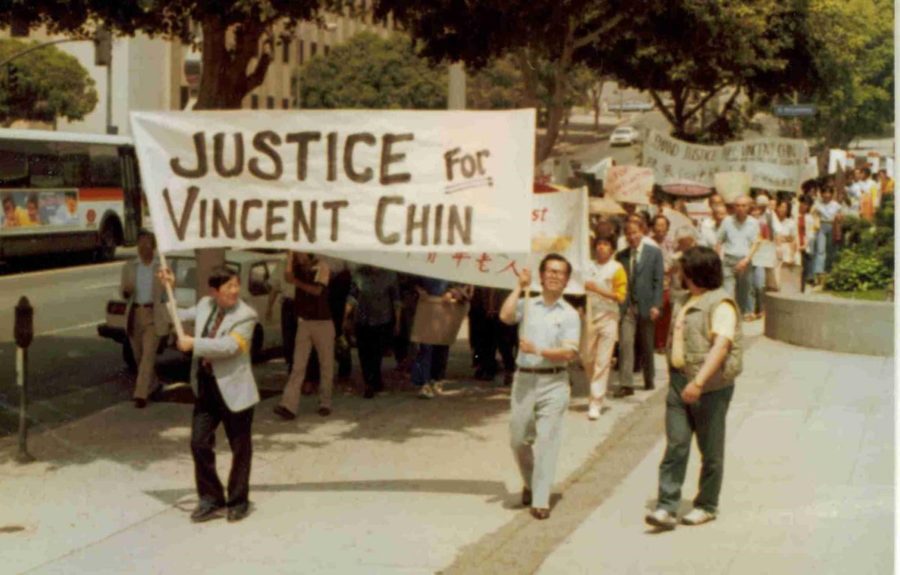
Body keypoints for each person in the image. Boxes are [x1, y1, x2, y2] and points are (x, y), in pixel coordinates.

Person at [645, 246, 742, 531]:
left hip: (710, 387)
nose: (679, 274)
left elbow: (721, 346)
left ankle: (706, 505)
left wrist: (699, 382)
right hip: (678, 383)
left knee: (710, 450)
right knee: (676, 444)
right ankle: (666, 507)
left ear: (696, 272)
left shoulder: (721, 304)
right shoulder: (685, 300)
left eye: (683, 269)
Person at [159, 265, 260, 523]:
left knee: (240, 447)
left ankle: (238, 501)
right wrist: (167, 287)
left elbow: (229, 347)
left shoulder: (246, 316)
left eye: (237, 285)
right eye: (229, 287)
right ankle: (211, 497)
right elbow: (179, 314)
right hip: (206, 386)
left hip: (234, 390)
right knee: (198, 442)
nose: (235, 291)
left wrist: (194, 344)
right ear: (214, 291)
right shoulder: (205, 304)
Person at [499, 254, 580, 520]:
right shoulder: (529, 304)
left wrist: (540, 350)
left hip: (554, 381)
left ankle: (541, 499)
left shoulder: (569, 314)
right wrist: (520, 286)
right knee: (518, 439)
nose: (555, 276)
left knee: (547, 441)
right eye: (550, 271)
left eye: (561, 273)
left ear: (567, 280)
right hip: (524, 379)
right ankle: (531, 482)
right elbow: (505, 315)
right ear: (542, 275)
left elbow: (569, 353)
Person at [274, 252, 334, 419]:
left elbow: (317, 290)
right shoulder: (296, 267)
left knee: (326, 364)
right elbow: (287, 277)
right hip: (305, 322)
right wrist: (289, 257)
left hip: (323, 322)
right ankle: (288, 405)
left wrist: (296, 282)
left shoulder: (322, 266)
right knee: (298, 365)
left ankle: (325, 402)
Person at [614, 219, 664, 397]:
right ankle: (626, 384)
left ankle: (649, 378)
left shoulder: (654, 253)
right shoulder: (621, 256)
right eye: (628, 233)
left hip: (647, 305)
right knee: (626, 344)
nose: (631, 236)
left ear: (642, 232)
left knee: (646, 344)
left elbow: (658, 281)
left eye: (635, 232)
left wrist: (656, 305)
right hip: (627, 307)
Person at [120, 231, 168, 408]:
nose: (143, 248)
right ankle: (154, 384)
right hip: (135, 315)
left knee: (148, 355)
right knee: (139, 357)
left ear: (153, 247)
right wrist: (126, 292)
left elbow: (169, 290)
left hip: (153, 315)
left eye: (147, 244)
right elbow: (123, 292)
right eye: (140, 244)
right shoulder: (130, 267)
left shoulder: (160, 267)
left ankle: (140, 395)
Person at [583, 234, 627, 419]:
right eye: (599, 243)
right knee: (586, 357)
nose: (601, 247)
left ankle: (596, 401)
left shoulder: (617, 269)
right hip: (589, 316)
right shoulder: (587, 266)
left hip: (609, 316)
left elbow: (620, 296)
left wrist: (598, 290)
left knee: (602, 361)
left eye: (605, 244)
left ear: (612, 248)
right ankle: (596, 389)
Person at [344, 265, 401, 399]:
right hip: (362, 318)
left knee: (376, 352)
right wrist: (345, 316)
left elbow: (396, 300)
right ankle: (369, 383)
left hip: (382, 319)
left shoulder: (390, 275)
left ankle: (375, 380)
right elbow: (352, 297)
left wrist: (398, 321)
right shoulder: (359, 274)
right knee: (364, 353)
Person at [717, 196, 760, 320]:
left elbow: (755, 243)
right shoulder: (727, 221)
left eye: (743, 206)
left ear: (749, 207)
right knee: (728, 290)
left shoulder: (753, 222)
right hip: (729, 260)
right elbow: (719, 240)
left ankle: (744, 313)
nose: (740, 208)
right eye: (738, 205)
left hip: (745, 260)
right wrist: (718, 259)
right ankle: (728, 316)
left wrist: (746, 259)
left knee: (744, 290)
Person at [813, 186, 842, 280]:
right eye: (824, 193)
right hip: (821, 226)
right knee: (820, 250)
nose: (826, 195)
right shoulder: (818, 204)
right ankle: (819, 271)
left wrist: (839, 217)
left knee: (831, 249)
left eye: (829, 193)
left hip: (832, 226)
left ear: (832, 194)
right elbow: (812, 213)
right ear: (821, 194)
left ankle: (829, 270)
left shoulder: (836, 205)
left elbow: (840, 216)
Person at [771, 199, 798, 292]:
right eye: (781, 207)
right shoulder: (772, 221)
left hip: (786, 248)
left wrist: (792, 254)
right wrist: (783, 238)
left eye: (785, 207)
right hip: (774, 247)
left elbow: (793, 239)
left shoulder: (791, 222)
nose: (782, 209)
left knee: (785, 271)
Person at [797, 195, 818, 287]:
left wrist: (805, 244)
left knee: (806, 261)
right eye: (802, 203)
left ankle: (807, 280)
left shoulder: (809, 218)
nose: (804, 206)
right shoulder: (794, 214)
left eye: (806, 204)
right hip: (795, 242)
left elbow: (810, 233)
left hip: (804, 242)